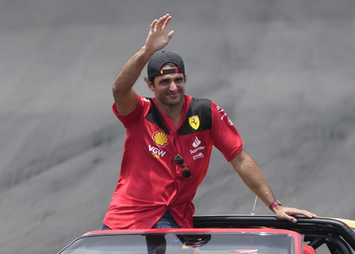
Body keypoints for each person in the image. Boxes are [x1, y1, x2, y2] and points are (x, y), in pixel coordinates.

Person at [103, 14, 314, 231]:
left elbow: (239, 159)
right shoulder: (140, 111)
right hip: (125, 220)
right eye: (164, 82)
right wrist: (147, 51)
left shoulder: (205, 113)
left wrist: (275, 206)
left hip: (172, 221)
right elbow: (119, 89)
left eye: (178, 80)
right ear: (150, 86)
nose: (173, 87)